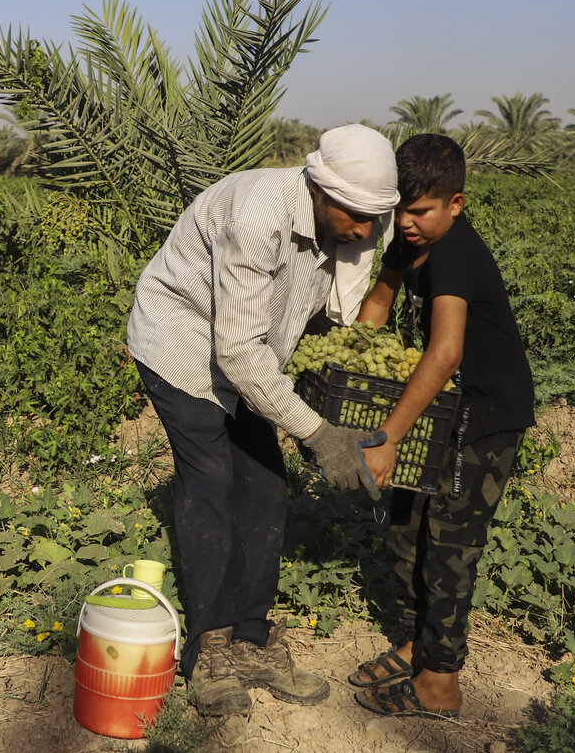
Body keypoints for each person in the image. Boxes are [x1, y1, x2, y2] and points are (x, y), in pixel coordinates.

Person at [126, 123, 399, 717]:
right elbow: (237, 354)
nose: (365, 232)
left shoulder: (357, 220)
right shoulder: (257, 215)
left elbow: (324, 320)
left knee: (267, 488)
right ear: (320, 192)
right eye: (355, 216)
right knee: (212, 484)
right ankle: (209, 651)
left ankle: (251, 640)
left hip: (253, 354)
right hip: (183, 344)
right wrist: (318, 433)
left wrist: (315, 409)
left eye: (376, 218)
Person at [349, 133, 535, 719]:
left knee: (449, 546)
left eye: (421, 210)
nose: (406, 222)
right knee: (405, 529)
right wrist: (351, 364)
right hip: (440, 411)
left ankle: (440, 682)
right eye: (398, 208)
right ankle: (414, 645)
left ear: (455, 203)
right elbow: (377, 309)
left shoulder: (454, 250)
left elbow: (447, 351)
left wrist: (389, 437)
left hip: (484, 418)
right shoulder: (411, 245)